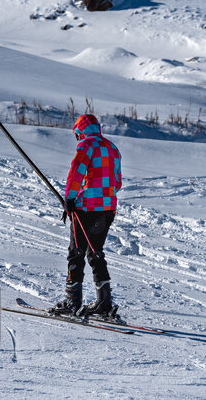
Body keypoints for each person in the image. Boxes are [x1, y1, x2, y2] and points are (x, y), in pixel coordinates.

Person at [51, 114, 122, 317]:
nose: (77, 138)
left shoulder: (86, 147)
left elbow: (76, 174)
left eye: (76, 134)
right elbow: (117, 182)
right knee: (96, 251)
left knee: (77, 252)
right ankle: (104, 302)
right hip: (108, 208)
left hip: (86, 209)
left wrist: (70, 199)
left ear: (80, 131)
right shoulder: (112, 148)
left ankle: (72, 301)